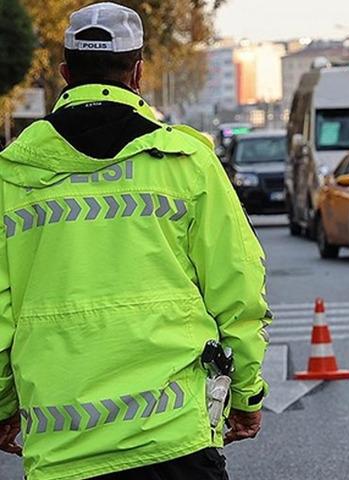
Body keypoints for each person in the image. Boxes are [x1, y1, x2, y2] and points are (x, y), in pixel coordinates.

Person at [0, 3, 270, 479]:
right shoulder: (186, 163)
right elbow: (238, 290)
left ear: (64, 71)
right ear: (139, 71)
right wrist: (246, 393)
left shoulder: (12, 176)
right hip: (175, 442)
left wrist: (3, 406)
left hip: (63, 452)